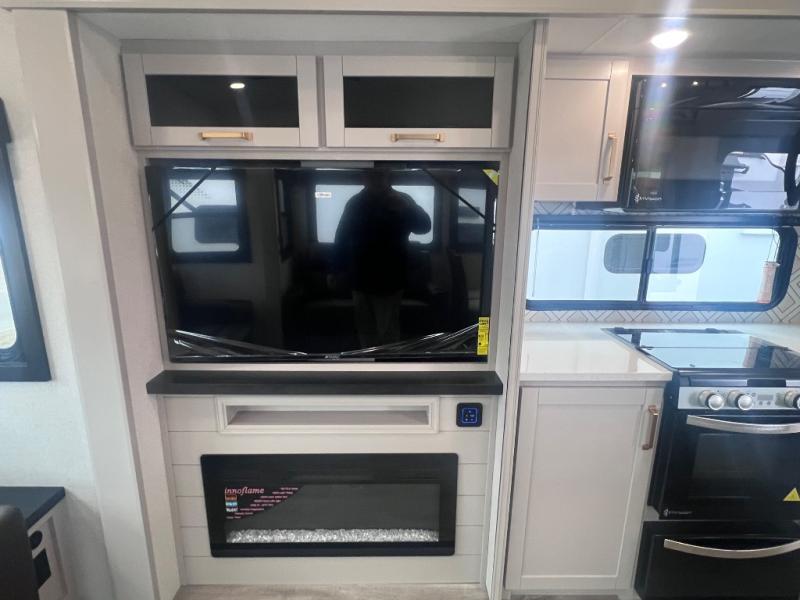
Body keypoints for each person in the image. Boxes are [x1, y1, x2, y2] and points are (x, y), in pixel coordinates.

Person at [333, 169, 432, 348]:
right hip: (360, 277)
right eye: (369, 175)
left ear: (388, 177)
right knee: (365, 330)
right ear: (363, 178)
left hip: (390, 279)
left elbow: (424, 227)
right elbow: (341, 237)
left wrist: (407, 209)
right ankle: (369, 363)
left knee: (388, 332)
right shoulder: (355, 203)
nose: (374, 180)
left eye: (378, 175)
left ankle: (389, 364)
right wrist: (336, 270)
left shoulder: (402, 200)